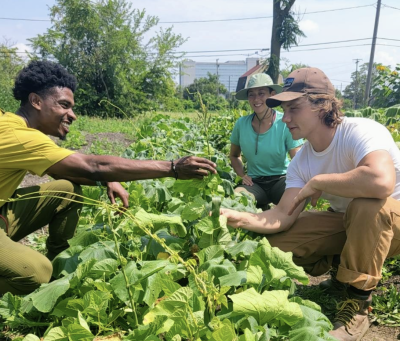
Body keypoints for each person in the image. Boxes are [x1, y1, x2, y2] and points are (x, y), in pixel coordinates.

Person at [0, 60, 216, 296]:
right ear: (36, 101)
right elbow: (92, 166)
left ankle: (59, 271)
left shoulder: (14, 127)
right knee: (36, 272)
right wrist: (173, 167)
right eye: (64, 105)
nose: (72, 115)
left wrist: (106, 179)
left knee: (66, 190)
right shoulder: (19, 135)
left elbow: (62, 168)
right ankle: (40, 283)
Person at [220, 67, 400, 340]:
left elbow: (380, 182)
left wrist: (320, 182)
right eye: (284, 110)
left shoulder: (360, 131)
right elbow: (282, 214)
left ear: (322, 105)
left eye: (293, 109)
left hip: (391, 224)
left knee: (367, 205)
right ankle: (343, 272)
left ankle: (358, 302)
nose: (285, 119)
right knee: (279, 243)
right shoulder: (301, 160)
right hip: (352, 225)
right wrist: (232, 217)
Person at [230, 73, 303, 208]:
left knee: (297, 200)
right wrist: (241, 175)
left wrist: (302, 180)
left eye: (261, 93)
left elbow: (297, 157)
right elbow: (234, 155)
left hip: (281, 180)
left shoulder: (284, 122)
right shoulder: (241, 124)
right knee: (237, 200)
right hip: (254, 183)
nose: (256, 99)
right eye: (251, 94)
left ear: (272, 94)